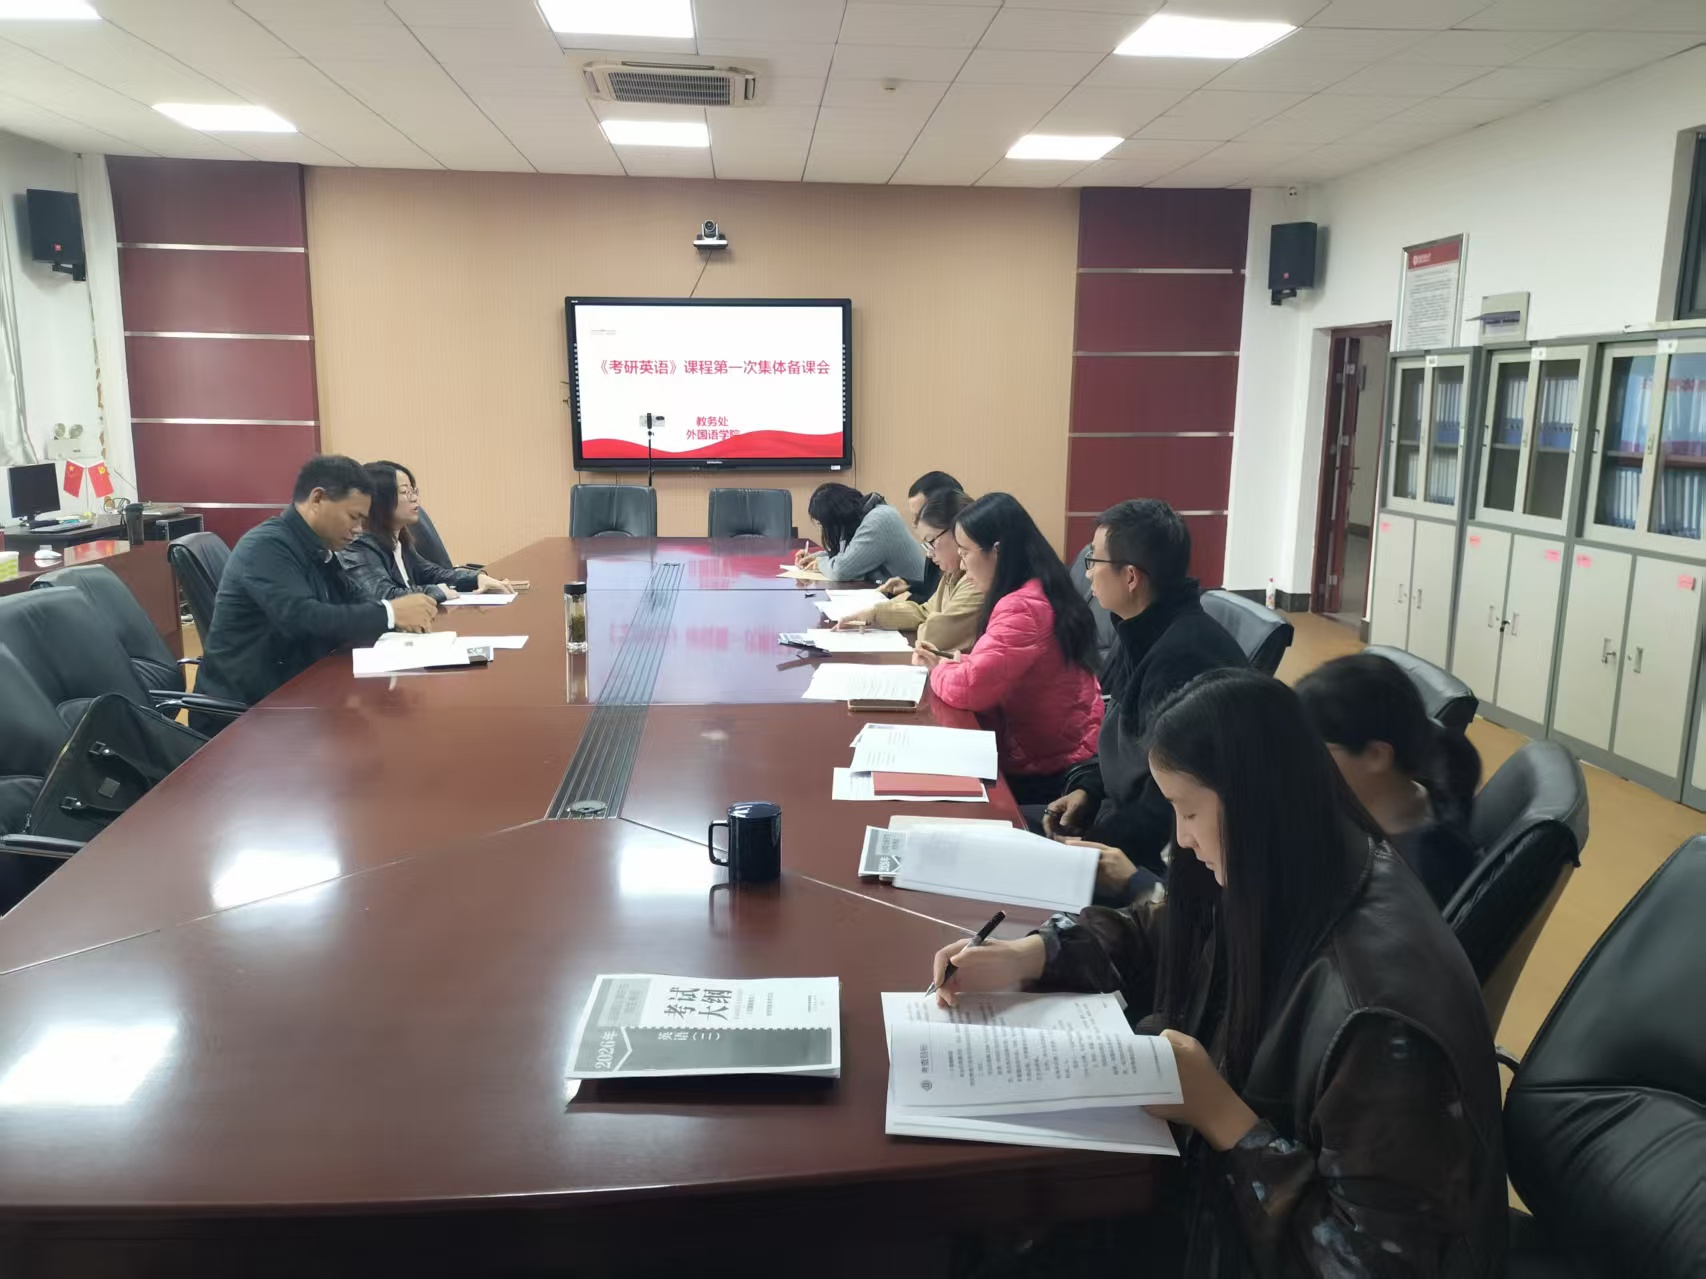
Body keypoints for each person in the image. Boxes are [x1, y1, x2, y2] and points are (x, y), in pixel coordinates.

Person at [929, 670, 1507, 1279]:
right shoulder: (1299, 859)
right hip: (1210, 1196)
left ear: (1257, 801)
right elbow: (1167, 929)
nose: (1181, 838)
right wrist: (1034, 954)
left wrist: (1220, 1115)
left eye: (1188, 811)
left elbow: (1369, 1264)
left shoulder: (1377, 1012)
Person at [1043, 499, 1246, 902]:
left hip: (1159, 862)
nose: (1088, 573)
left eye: (1094, 560)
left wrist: (1084, 850)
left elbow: (1166, 805)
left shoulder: (1184, 658)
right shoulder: (1138, 629)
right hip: (1118, 819)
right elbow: (1119, 736)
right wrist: (1087, 791)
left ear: (1131, 576)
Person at [195, 456, 437, 718]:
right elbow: (303, 618)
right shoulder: (267, 546)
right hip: (246, 713)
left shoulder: (318, 547)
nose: (358, 529)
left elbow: (354, 599)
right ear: (318, 498)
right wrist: (390, 613)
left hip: (297, 695)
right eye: (353, 517)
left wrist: (396, 614)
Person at [920, 492, 1103, 804]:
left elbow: (972, 687)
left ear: (997, 551)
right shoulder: (1038, 586)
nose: (961, 564)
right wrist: (961, 664)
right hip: (1054, 746)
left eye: (965, 552)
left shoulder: (1023, 607)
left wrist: (939, 669)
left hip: (1048, 768)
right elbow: (989, 667)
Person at [1297, 652, 1483, 907]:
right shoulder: (1413, 800)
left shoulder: (1405, 875)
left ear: (1376, 756)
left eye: (1314, 750)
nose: (1303, 763)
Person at [339, 462, 515, 604]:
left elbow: (431, 573)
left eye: (413, 491)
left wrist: (476, 578)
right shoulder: (359, 545)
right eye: (405, 492)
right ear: (380, 500)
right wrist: (435, 591)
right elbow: (382, 597)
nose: (415, 498)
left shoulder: (398, 539)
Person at [834, 488, 984, 653]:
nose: (929, 554)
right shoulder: (952, 574)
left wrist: (927, 623)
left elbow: (933, 637)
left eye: (931, 542)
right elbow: (924, 612)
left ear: (957, 532)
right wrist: (874, 614)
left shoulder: (976, 580)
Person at [795, 483, 928, 591]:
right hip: (897, 595)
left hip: (917, 600)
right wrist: (816, 557)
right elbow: (849, 554)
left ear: (836, 519)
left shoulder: (878, 520)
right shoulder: (866, 515)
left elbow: (841, 571)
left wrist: (819, 563)